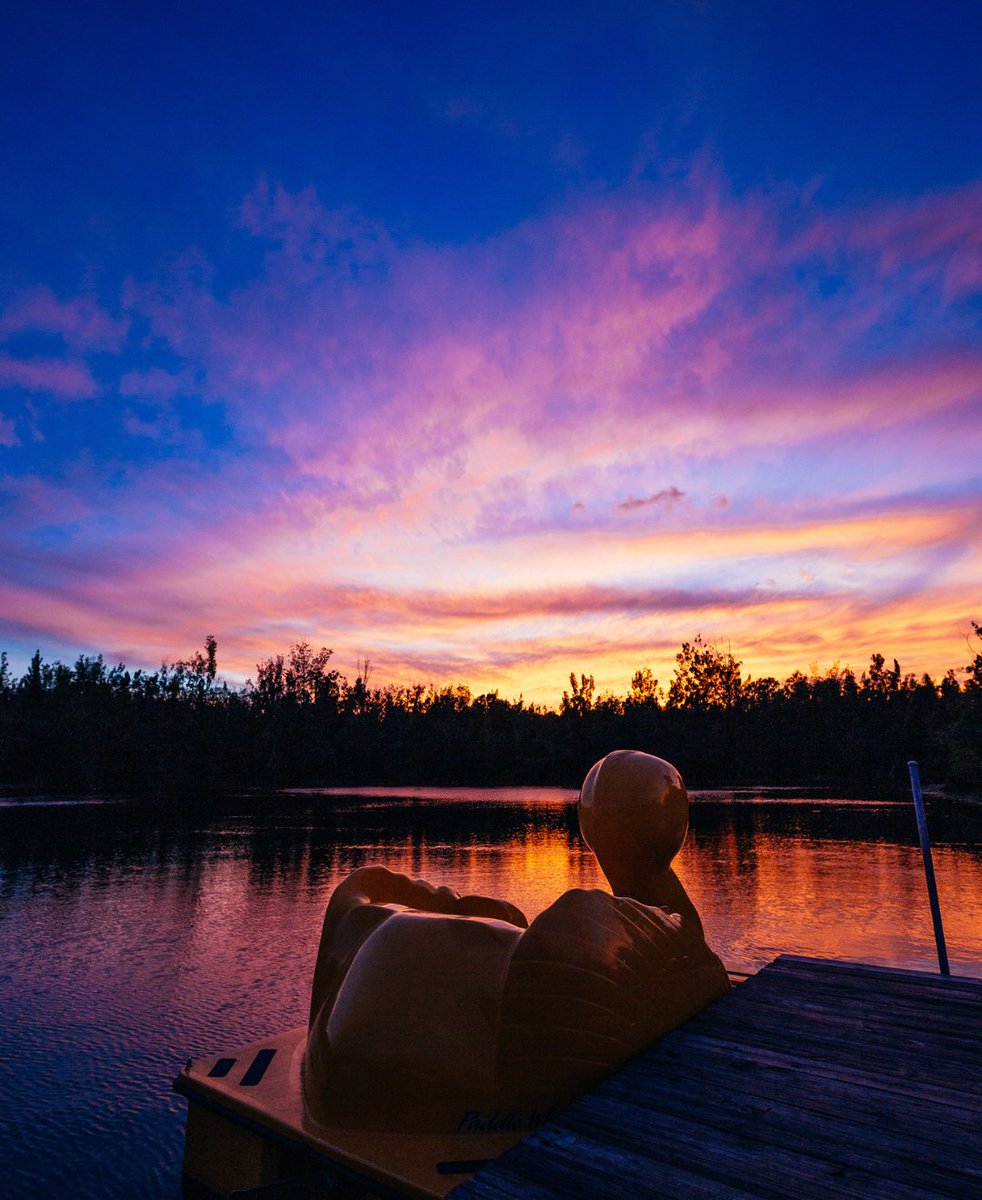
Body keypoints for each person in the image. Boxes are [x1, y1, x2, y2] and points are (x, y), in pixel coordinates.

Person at [303, 750, 730, 1134]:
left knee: (389, 916)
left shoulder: (592, 947)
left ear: (589, 823)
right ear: (677, 824)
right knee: (469, 923)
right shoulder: (674, 956)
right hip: (408, 1038)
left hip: (374, 1056)